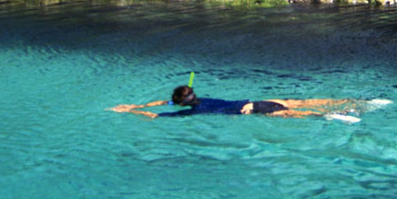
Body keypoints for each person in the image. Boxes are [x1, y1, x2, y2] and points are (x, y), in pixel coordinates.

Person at [107, 84, 365, 120]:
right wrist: (135, 107)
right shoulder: (199, 101)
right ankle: (353, 103)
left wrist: (131, 110)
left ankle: (338, 114)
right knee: (296, 103)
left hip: (249, 109)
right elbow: (163, 103)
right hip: (254, 101)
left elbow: (158, 110)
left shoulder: (188, 112)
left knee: (297, 112)